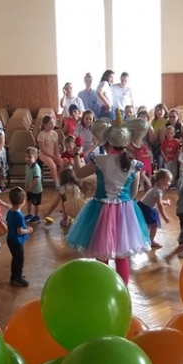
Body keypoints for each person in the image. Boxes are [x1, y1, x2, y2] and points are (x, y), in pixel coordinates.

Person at [66, 114, 151, 284]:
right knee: (122, 255)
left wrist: (76, 155)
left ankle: (102, 286)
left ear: (108, 142)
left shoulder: (100, 161)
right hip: (124, 212)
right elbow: (133, 194)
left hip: (100, 210)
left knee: (101, 251)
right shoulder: (134, 164)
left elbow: (79, 173)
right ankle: (123, 289)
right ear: (127, 143)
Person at [137, 169, 173, 249]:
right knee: (154, 224)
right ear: (161, 181)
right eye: (168, 181)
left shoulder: (156, 188)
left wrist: (165, 202)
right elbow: (159, 205)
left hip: (143, 206)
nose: (170, 183)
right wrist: (165, 217)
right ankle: (151, 241)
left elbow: (157, 201)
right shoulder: (158, 191)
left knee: (149, 224)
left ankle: (145, 239)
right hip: (146, 208)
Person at [5, 187, 33, 288]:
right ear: (23, 201)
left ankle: (14, 275)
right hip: (16, 241)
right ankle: (18, 278)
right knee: (19, 260)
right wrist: (29, 230)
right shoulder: (19, 215)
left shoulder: (10, 212)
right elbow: (20, 231)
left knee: (15, 259)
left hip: (10, 239)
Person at [36, 114, 61, 186]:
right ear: (44, 125)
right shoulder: (41, 135)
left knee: (62, 163)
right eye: (50, 123)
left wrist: (57, 154)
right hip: (44, 154)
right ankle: (56, 183)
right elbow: (42, 148)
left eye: (53, 123)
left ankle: (61, 179)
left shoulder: (55, 134)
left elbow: (56, 146)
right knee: (53, 166)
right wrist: (52, 156)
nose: (52, 125)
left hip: (53, 153)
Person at [24, 146, 43, 224]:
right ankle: (29, 214)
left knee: (36, 203)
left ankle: (37, 216)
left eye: (30, 157)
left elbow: (36, 180)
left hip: (36, 190)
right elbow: (26, 176)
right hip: (29, 188)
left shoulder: (36, 168)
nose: (27, 159)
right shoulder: (27, 166)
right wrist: (26, 185)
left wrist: (31, 188)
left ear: (35, 157)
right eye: (26, 157)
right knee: (29, 201)